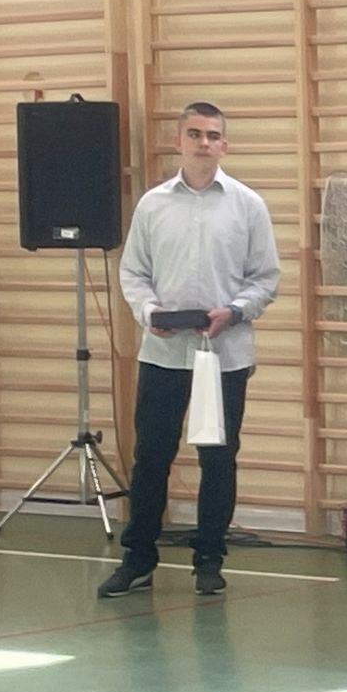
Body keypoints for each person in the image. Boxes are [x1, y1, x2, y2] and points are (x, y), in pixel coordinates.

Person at [99, 101, 280, 598]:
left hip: (223, 356)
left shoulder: (248, 205)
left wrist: (235, 311)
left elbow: (265, 278)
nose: (204, 143)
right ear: (179, 141)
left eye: (213, 135)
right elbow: (133, 272)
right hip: (162, 356)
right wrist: (149, 312)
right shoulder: (152, 205)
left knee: (218, 460)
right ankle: (138, 559)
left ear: (225, 144)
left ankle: (209, 560)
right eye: (195, 134)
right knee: (151, 458)